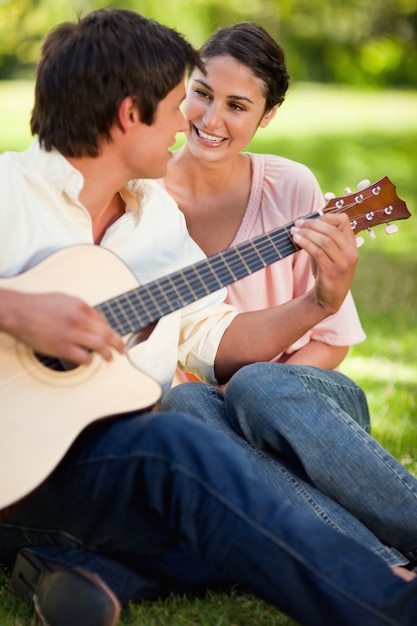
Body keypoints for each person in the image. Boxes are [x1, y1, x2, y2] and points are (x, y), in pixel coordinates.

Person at [1, 8, 417, 626]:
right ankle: (392, 605)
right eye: (179, 102)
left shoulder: (156, 220)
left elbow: (212, 335)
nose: (189, 122)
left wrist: (318, 304)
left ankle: (80, 569)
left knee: (215, 494)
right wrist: (17, 310)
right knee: (184, 446)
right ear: (128, 114)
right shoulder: (10, 193)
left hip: (90, 469)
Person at [161, 21, 365, 385]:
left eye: (236, 106)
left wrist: (249, 400)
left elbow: (332, 341)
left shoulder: (289, 187)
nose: (211, 119)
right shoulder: (139, 190)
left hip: (266, 402)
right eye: (203, 93)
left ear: (267, 114)